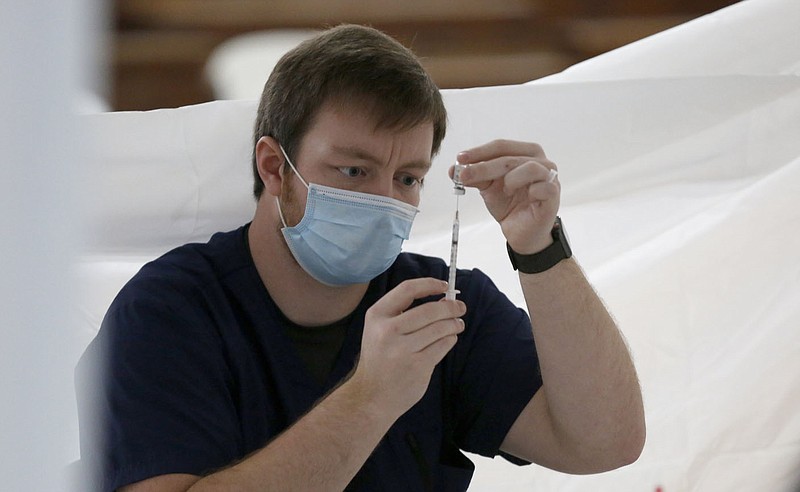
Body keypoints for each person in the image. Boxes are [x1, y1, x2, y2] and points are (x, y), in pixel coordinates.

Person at [76, 24, 645, 491]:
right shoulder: (171, 312)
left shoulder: (439, 307)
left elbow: (604, 443)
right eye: (353, 171)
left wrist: (540, 248)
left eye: (407, 178)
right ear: (275, 167)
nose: (384, 202)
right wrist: (373, 396)